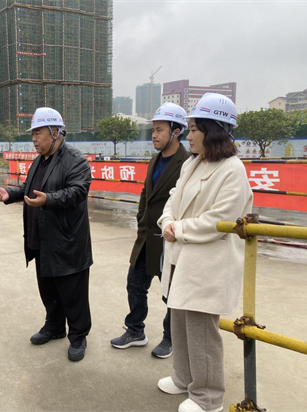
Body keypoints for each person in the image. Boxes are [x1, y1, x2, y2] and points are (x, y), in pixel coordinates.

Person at [156, 93, 253, 412]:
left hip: (207, 263)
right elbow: (173, 198)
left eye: (195, 128)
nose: (189, 135)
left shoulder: (232, 170)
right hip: (181, 257)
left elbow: (221, 219)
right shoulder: (193, 162)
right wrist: (167, 221)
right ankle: (184, 377)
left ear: (213, 131)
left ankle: (208, 397)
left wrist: (179, 229)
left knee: (201, 332)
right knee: (180, 322)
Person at [0, 107, 93, 362]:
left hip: (66, 240)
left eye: (38, 133)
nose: (34, 139)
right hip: (42, 238)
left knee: (73, 292)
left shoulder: (75, 159)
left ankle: (78, 336)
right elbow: (29, 188)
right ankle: (54, 326)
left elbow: (78, 191)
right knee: (48, 289)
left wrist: (49, 199)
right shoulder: (39, 160)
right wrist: (10, 193)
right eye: (33, 134)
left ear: (55, 131)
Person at [110, 103, 190, 359]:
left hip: (170, 239)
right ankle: (135, 331)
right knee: (135, 285)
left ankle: (170, 338)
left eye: (159, 130)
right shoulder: (155, 159)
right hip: (146, 237)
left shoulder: (188, 163)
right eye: (153, 130)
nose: (154, 135)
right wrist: (142, 217)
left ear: (176, 131)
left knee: (171, 294)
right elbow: (147, 193)